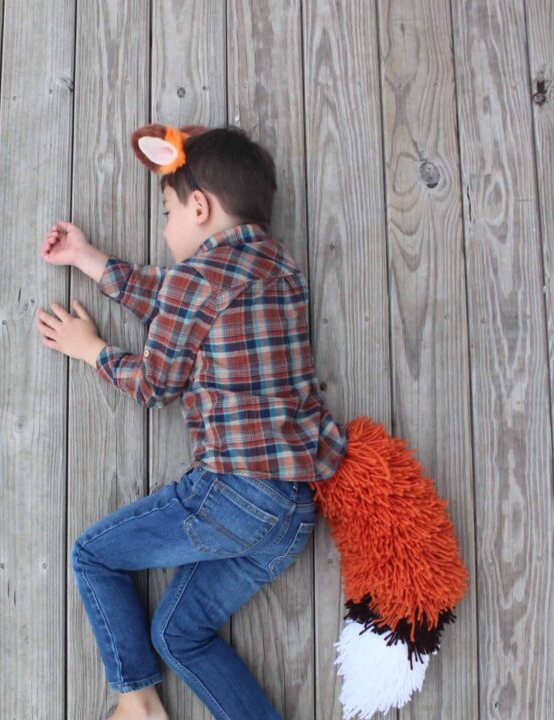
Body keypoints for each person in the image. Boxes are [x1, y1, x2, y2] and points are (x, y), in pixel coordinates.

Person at [36, 125, 348, 720]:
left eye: (167, 211)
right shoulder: (279, 267)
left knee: (93, 556)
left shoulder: (199, 279)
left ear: (199, 206)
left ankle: (137, 703)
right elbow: (172, 298)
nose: (164, 228)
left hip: (233, 492)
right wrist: (87, 258)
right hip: (292, 511)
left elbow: (157, 384)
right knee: (179, 633)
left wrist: (91, 349)